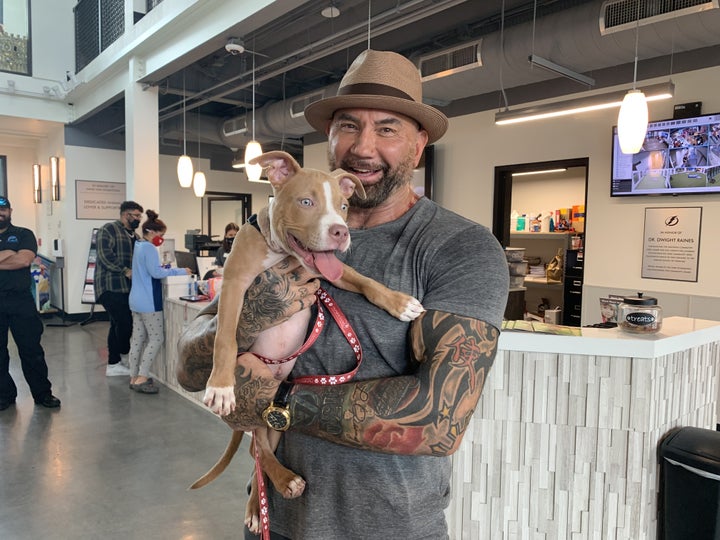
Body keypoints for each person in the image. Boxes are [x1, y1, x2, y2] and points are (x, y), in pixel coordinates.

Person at [177, 49, 509, 539]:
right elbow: (189, 368)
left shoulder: (459, 247)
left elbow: (440, 420)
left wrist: (275, 399)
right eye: (349, 125)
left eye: (388, 128)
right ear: (329, 136)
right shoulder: (280, 233)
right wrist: (254, 316)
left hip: (390, 527)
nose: (364, 146)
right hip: (276, 523)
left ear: (419, 147)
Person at [0, 196, 61, 410]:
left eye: (4, 209)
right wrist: (8, 255)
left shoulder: (23, 234)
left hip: (20, 300)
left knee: (31, 350)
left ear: (10, 211)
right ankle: (4, 395)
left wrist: (14, 256)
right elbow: (15, 259)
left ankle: (42, 394)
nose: (1, 213)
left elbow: (25, 260)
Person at [127, 210, 191, 394]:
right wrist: (180, 271)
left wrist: (164, 269)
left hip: (136, 300)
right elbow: (155, 273)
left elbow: (150, 270)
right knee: (156, 338)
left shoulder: (139, 245)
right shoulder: (149, 248)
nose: (161, 239)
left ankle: (133, 376)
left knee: (138, 339)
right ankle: (143, 377)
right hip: (149, 302)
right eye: (161, 235)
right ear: (152, 232)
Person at [94, 200, 143, 376]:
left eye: (140, 216)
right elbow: (104, 256)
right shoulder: (108, 230)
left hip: (127, 289)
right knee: (124, 323)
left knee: (117, 323)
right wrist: (125, 270)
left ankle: (114, 363)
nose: (138, 219)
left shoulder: (136, 237)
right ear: (125, 215)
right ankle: (122, 355)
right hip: (109, 286)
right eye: (135, 215)